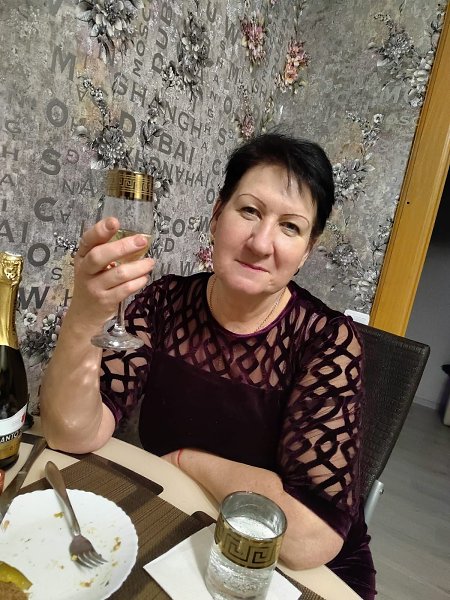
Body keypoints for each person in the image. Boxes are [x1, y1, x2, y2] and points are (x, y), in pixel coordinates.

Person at [40, 132, 376, 599]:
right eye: (250, 211)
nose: (261, 243)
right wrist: (83, 315)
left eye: (290, 227)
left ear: (307, 249)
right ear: (217, 214)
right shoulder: (164, 304)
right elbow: (71, 433)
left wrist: (186, 461)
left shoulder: (326, 340)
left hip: (294, 573)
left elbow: (309, 535)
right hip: (185, 529)